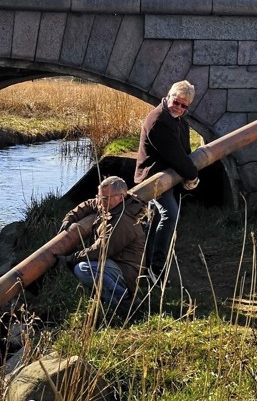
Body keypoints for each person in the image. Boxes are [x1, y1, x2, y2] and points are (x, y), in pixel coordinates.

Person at [134, 80, 200, 279]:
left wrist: (188, 172)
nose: (178, 108)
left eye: (183, 106)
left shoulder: (179, 121)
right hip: (153, 179)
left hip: (166, 178)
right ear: (168, 96)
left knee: (153, 222)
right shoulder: (158, 121)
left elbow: (184, 152)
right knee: (169, 214)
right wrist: (192, 175)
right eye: (176, 102)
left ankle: (143, 265)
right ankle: (156, 268)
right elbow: (175, 155)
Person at [56, 176, 147, 305]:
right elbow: (89, 204)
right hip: (112, 262)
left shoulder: (123, 220)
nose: (99, 202)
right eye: (99, 196)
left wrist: (69, 259)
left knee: (83, 269)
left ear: (120, 197)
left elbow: (100, 250)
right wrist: (70, 217)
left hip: (124, 270)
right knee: (84, 267)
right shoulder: (111, 205)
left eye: (103, 198)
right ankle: (105, 296)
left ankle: (124, 298)